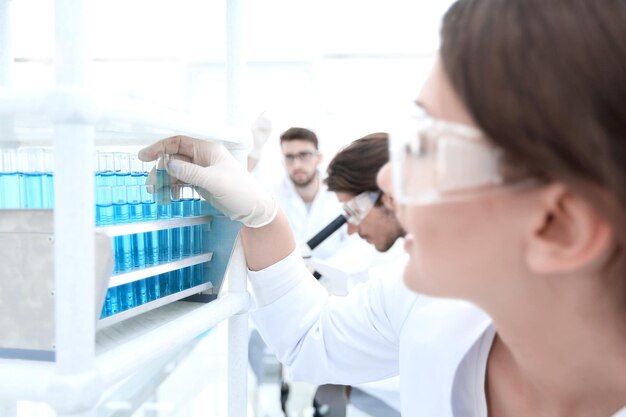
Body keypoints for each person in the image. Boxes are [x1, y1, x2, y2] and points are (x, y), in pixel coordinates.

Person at [139, 0, 626, 415]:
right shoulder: (427, 303)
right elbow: (311, 336)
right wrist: (264, 214)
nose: (391, 180)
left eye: (428, 147)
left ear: (558, 227)